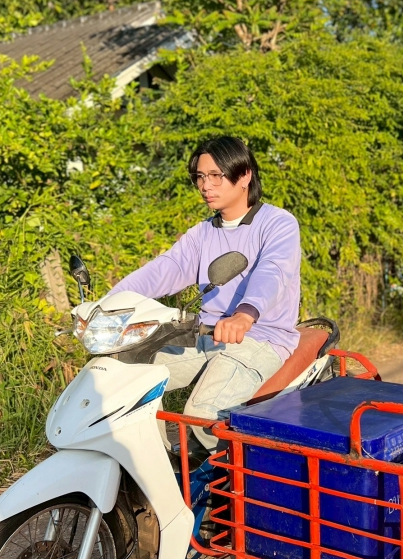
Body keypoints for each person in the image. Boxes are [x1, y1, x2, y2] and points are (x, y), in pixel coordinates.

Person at [109, 135, 301, 453]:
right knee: (127, 377)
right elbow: (166, 268)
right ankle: (156, 464)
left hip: (260, 338)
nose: (205, 185)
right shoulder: (203, 233)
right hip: (205, 335)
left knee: (202, 415)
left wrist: (245, 314)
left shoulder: (277, 223)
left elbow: (273, 272)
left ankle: (215, 477)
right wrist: (108, 303)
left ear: (244, 175)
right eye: (200, 177)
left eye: (215, 175)